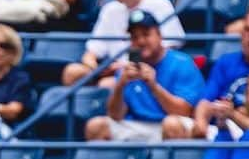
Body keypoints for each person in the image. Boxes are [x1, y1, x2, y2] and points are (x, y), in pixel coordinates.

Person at [167, 14, 249, 144]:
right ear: (241, 35)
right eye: (247, 29)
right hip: (225, 125)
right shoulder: (226, 62)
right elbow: (206, 101)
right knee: (171, 124)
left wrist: (240, 114)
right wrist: (201, 124)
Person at [63, 0, 184, 88]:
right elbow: (91, 53)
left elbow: (169, 46)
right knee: (72, 72)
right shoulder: (109, 10)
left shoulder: (160, 4)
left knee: (106, 84)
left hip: (146, 69)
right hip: (113, 69)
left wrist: (126, 65)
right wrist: (95, 68)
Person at [85, 10, 203, 144]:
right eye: (135, 37)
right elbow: (115, 115)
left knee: (171, 125)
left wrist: (153, 86)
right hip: (139, 125)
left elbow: (183, 111)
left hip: (173, 124)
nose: (141, 41)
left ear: (159, 35)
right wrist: (121, 85)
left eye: (146, 34)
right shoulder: (129, 68)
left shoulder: (182, 62)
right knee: (95, 127)